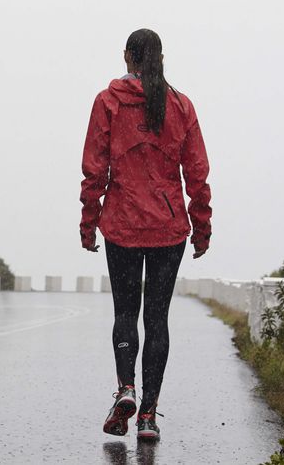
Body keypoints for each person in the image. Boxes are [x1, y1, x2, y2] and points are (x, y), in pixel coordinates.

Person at [79, 28, 212, 440]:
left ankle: (127, 388)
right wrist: (201, 226)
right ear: (160, 57)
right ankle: (149, 416)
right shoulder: (181, 105)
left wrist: (89, 222)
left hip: (121, 224)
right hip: (168, 229)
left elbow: (94, 168)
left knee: (125, 314)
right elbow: (197, 172)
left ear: (126, 56)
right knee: (157, 320)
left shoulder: (108, 103)